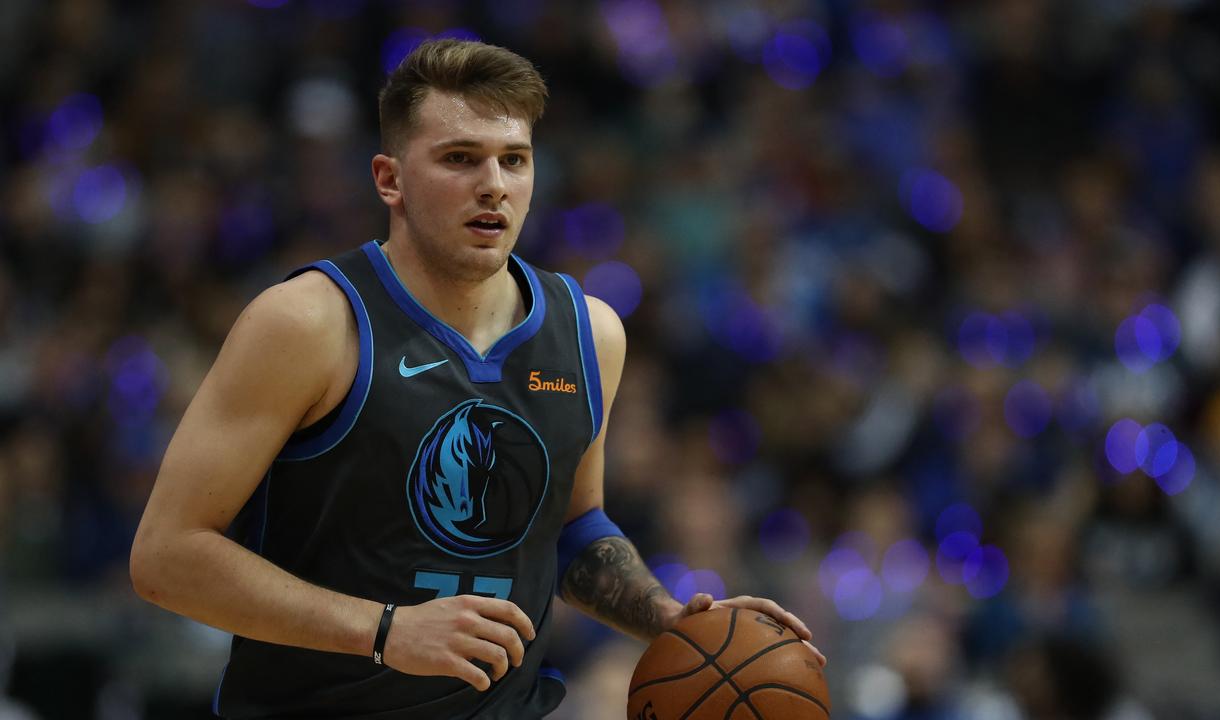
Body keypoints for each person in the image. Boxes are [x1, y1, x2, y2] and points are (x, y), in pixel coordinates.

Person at [129, 39, 823, 719]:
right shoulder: (309, 323)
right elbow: (166, 557)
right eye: (460, 159)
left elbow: (571, 529)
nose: (493, 183)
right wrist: (385, 631)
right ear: (389, 179)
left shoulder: (590, 334)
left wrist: (669, 619)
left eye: (513, 160)